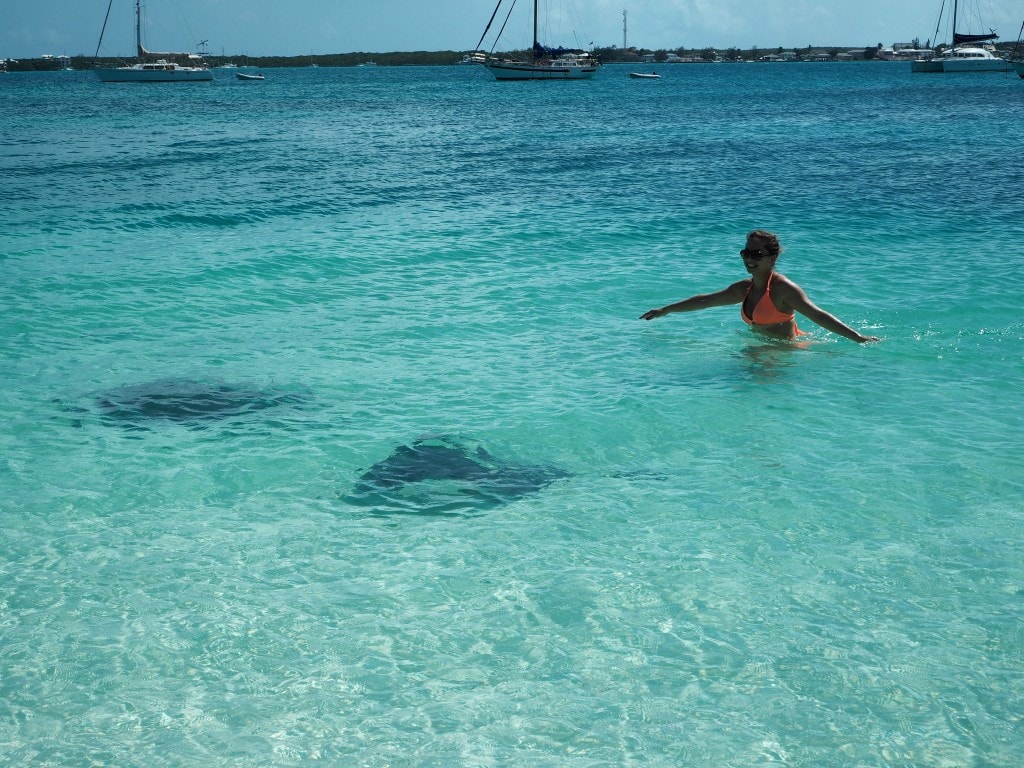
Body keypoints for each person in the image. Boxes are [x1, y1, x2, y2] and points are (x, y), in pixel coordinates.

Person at [640, 230, 879, 343]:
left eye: (756, 254)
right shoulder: (744, 288)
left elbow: (817, 315)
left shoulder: (783, 289)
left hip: (783, 354)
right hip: (759, 349)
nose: (749, 259)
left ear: (772, 258)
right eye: (746, 253)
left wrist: (858, 338)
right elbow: (706, 300)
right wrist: (666, 310)